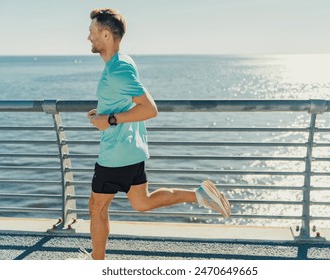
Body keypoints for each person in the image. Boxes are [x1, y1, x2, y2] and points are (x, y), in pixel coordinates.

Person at [76, 8, 231, 260]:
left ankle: (97, 264)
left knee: (97, 207)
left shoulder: (118, 70)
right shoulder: (123, 61)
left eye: (91, 32)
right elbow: (128, 100)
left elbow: (149, 109)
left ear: (105, 34)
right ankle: (199, 194)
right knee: (142, 203)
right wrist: (105, 110)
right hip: (132, 150)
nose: (88, 37)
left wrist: (111, 119)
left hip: (115, 153)